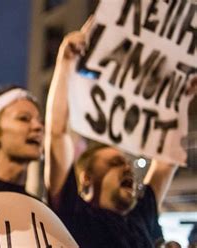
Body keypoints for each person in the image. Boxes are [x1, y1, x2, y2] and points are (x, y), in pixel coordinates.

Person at [44, 19, 188, 247]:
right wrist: (66, 62)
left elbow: (165, 161)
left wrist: (180, 99)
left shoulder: (140, 218)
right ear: (87, 179)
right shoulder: (73, 214)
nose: (127, 168)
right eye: (114, 163)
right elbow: (58, 132)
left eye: (125, 164)